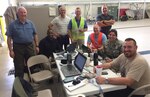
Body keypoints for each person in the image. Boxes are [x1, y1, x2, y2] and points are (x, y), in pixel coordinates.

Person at [6, 6, 39, 78]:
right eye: (21, 12)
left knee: (31, 63)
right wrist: (10, 50)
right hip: (18, 47)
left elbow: (35, 34)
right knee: (18, 65)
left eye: (24, 12)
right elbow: (9, 38)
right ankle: (19, 82)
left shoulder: (30, 23)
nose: (23, 14)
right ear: (17, 13)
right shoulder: (12, 25)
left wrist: (37, 45)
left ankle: (33, 78)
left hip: (29, 46)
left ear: (26, 13)